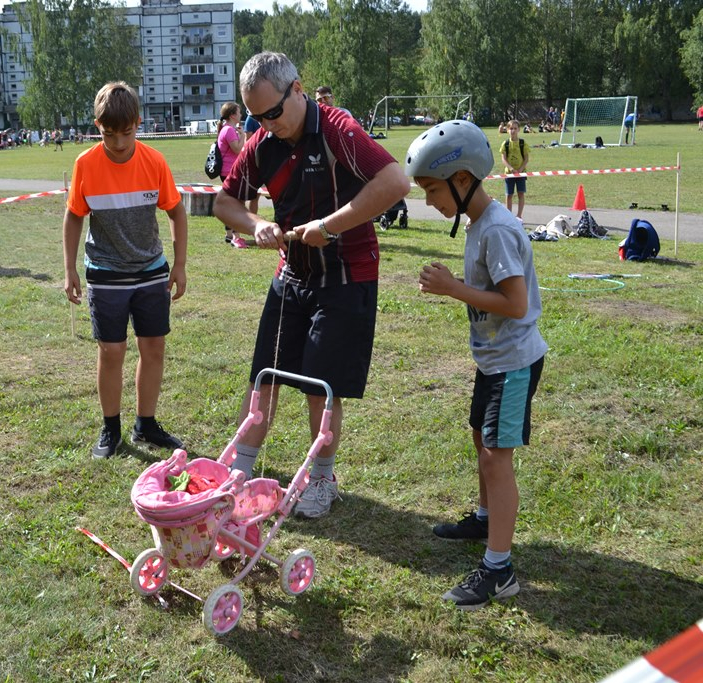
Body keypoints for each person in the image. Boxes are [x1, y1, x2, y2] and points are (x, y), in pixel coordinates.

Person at [213, 52, 409, 518]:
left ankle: (322, 478)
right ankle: (239, 473)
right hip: (292, 273)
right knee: (265, 376)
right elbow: (224, 204)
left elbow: (395, 181)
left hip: (345, 275)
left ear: (297, 89)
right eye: (256, 117)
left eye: (274, 113)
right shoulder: (261, 143)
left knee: (321, 386)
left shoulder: (339, 129)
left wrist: (331, 225)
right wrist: (255, 222)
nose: (266, 124)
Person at [404, 119, 547, 610]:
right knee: (478, 436)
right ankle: (486, 520)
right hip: (493, 360)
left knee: (495, 455)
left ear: (462, 180)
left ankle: (499, 569)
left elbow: (515, 302)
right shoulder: (477, 224)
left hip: (513, 361)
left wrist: (453, 289)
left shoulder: (499, 231)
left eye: (431, 190)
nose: (428, 202)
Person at [63, 81, 188, 460]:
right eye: (108, 134)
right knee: (111, 350)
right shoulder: (86, 164)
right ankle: (111, 427)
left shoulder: (154, 161)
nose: (118, 142)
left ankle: (145, 423)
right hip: (106, 272)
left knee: (153, 348)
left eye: (127, 132)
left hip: (151, 272)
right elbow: (73, 218)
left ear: (138, 123)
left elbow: (176, 211)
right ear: (97, 125)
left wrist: (180, 263)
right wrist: (69, 268)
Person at [216, 102, 248, 248]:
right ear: (233, 115)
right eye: (239, 112)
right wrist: (242, 136)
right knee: (236, 204)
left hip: (227, 171)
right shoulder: (229, 130)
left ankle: (229, 234)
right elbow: (237, 149)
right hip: (230, 171)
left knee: (230, 203)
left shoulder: (226, 129)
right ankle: (236, 237)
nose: (241, 114)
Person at [499, 120, 528, 221]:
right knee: (509, 195)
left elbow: (526, 158)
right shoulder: (505, 144)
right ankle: (509, 216)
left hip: (521, 173)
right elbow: (503, 158)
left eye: (515, 128)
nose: (513, 131)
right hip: (509, 174)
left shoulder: (522, 143)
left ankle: (519, 216)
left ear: (519, 130)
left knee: (521, 193)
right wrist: (511, 168)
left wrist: (520, 169)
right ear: (507, 130)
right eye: (511, 128)